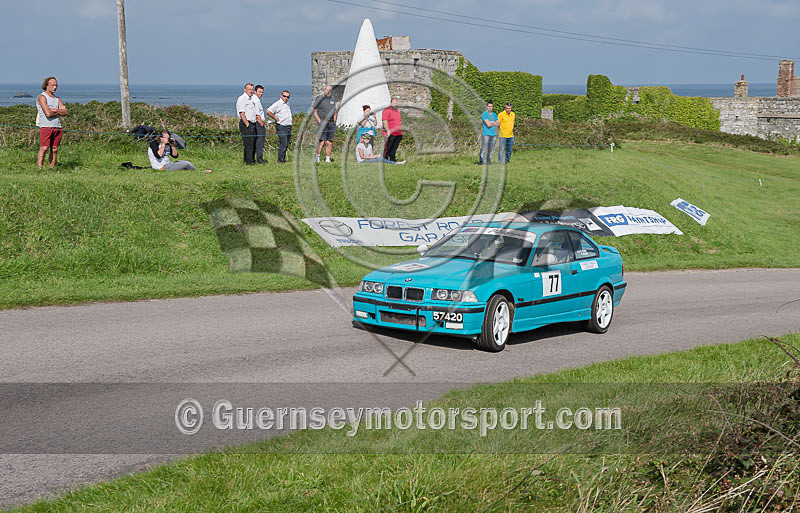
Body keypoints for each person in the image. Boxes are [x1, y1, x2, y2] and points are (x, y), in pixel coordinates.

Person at [36, 76, 68, 169]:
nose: (55, 87)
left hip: (57, 126)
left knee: (54, 149)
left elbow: (65, 112)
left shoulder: (57, 99)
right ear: (46, 85)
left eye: (56, 85)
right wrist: (58, 111)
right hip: (46, 126)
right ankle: (40, 168)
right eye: (52, 85)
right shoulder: (42, 97)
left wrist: (55, 110)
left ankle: (52, 167)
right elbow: (48, 113)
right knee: (44, 148)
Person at [266, 90, 293, 163]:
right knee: (283, 143)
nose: (286, 98)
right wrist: (275, 118)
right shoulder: (278, 104)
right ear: (281, 96)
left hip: (288, 126)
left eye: (288, 97)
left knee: (286, 144)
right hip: (282, 126)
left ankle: (283, 159)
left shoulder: (287, 104)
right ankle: (280, 160)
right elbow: (268, 111)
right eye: (284, 96)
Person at [313, 84, 337, 163]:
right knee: (322, 141)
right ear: (324, 90)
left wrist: (334, 120)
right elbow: (315, 111)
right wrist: (319, 121)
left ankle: (327, 158)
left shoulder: (333, 99)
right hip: (322, 121)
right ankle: (318, 157)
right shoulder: (319, 98)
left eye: (330, 91)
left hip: (331, 123)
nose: (328, 92)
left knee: (329, 142)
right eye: (327, 90)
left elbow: (335, 111)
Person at [236, 83, 257, 165]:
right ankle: (249, 162)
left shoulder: (251, 99)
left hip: (252, 123)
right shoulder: (242, 99)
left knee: (252, 143)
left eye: (252, 89)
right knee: (248, 144)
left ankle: (249, 159)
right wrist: (247, 124)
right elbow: (242, 113)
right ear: (245, 89)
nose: (251, 91)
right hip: (246, 123)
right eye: (249, 89)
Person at [382, 98, 403, 162]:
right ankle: (385, 159)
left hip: (398, 132)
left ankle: (392, 158)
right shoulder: (387, 110)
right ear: (391, 103)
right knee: (388, 147)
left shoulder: (397, 111)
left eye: (396, 103)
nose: (395, 104)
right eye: (394, 103)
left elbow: (399, 121)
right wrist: (388, 130)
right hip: (390, 132)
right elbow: (385, 121)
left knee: (395, 147)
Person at [253, 85, 267, 164]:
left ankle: (257, 158)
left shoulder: (255, 99)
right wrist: (261, 124)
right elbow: (257, 114)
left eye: (262, 92)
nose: (261, 94)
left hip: (258, 123)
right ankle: (259, 159)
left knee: (258, 142)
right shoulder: (256, 100)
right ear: (255, 91)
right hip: (259, 123)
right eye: (259, 92)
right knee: (260, 142)